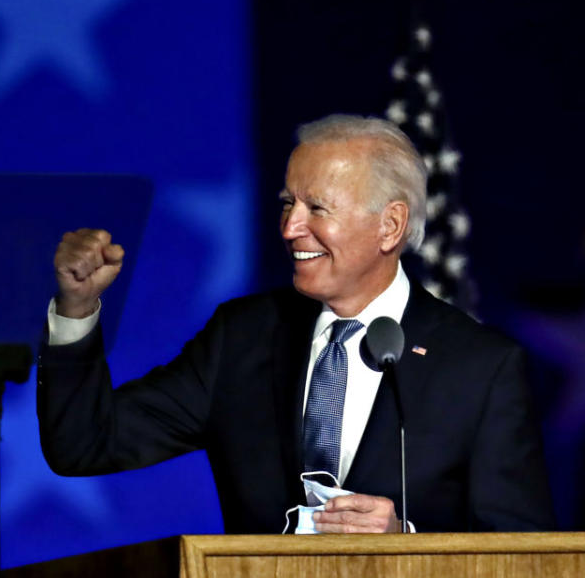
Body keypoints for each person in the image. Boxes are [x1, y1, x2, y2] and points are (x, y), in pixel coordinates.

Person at [37, 114, 554, 533]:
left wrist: (408, 544)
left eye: (317, 208)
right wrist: (77, 310)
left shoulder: (481, 368)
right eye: (288, 203)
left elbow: (525, 555)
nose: (290, 228)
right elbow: (86, 445)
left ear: (389, 225)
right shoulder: (241, 338)